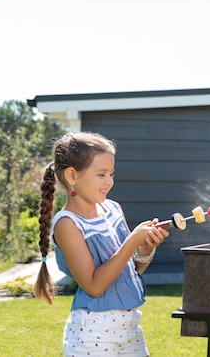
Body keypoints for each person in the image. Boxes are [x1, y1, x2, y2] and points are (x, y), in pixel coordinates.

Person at [34, 131, 169, 357]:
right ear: (72, 176)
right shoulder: (67, 224)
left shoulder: (113, 209)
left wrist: (145, 248)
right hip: (93, 333)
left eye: (111, 173)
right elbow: (94, 286)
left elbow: (130, 271)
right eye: (101, 174)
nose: (109, 181)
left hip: (130, 328)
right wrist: (132, 240)